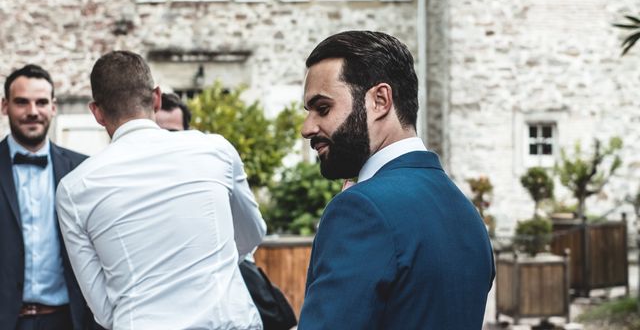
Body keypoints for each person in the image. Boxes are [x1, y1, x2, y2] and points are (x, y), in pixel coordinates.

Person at [298, 31, 495, 329]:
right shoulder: (465, 212)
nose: (307, 127)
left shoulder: (360, 210)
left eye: (323, 108)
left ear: (380, 100)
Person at [56, 51, 266, 330]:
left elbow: (104, 310)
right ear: (156, 97)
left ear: (96, 112)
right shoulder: (216, 149)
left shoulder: (74, 188)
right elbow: (253, 233)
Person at [155, 92, 298, 330]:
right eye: (159, 134)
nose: (166, 142)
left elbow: (252, 233)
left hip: (232, 289)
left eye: (173, 134)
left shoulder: (211, 170)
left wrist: (222, 256)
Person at [0, 64, 98, 330]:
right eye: (22, 102)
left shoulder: (84, 171)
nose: (33, 112)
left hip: (68, 320)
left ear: (53, 107)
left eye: (41, 102)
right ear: (4, 106)